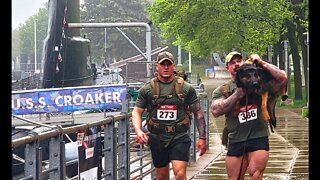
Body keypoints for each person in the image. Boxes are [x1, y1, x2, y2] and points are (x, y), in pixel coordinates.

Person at [210, 51, 287, 180]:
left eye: (239, 61)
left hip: (258, 136)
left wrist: (262, 63)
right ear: (227, 68)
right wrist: (237, 95)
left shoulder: (260, 82)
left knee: (255, 175)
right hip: (235, 139)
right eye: (232, 63)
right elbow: (215, 110)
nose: (236, 64)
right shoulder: (223, 90)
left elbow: (282, 78)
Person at [131, 51, 207, 180]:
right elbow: (136, 111)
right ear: (157, 66)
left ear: (173, 66)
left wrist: (202, 137)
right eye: (163, 64)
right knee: (161, 176)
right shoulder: (147, 89)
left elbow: (198, 113)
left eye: (168, 64)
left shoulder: (186, 88)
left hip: (179, 137)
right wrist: (138, 131)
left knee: (180, 174)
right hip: (158, 138)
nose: (166, 67)